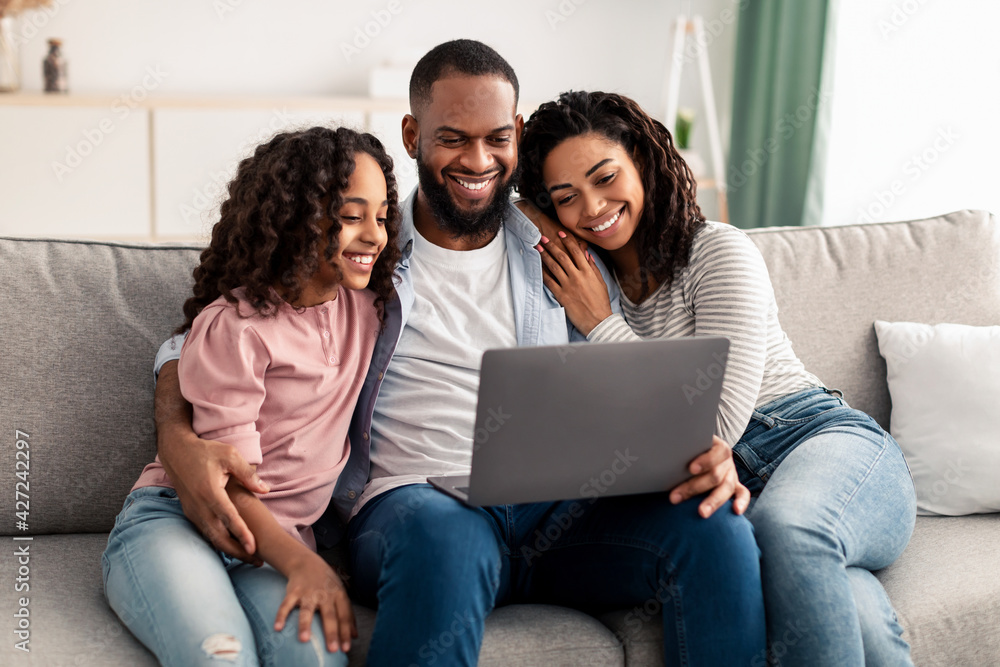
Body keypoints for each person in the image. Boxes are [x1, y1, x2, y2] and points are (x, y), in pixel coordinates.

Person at [151, 40, 766, 666]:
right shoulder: (368, 250)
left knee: (715, 532)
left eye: (497, 138)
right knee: (444, 536)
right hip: (418, 507)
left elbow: (623, 384)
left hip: (557, 514)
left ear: (518, 135)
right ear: (413, 134)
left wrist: (692, 455)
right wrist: (177, 436)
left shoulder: (565, 244)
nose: (478, 160)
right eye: (453, 138)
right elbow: (212, 333)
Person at [516, 90, 918, 666]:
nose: (594, 206)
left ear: (643, 163)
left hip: (813, 438)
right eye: (566, 198)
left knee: (791, 531)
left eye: (606, 177)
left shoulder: (717, 251)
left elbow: (710, 427)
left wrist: (602, 325)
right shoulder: (582, 283)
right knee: (854, 608)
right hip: (729, 490)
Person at [102, 126, 402, 667]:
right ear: (296, 217)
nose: (375, 235)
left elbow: (470, 218)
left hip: (276, 543)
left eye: (381, 217)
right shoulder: (236, 327)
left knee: (314, 656)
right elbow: (226, 481)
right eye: (352, 216)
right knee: (223, 654)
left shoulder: (369, 308)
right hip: (182, 518)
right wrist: (305, 565)